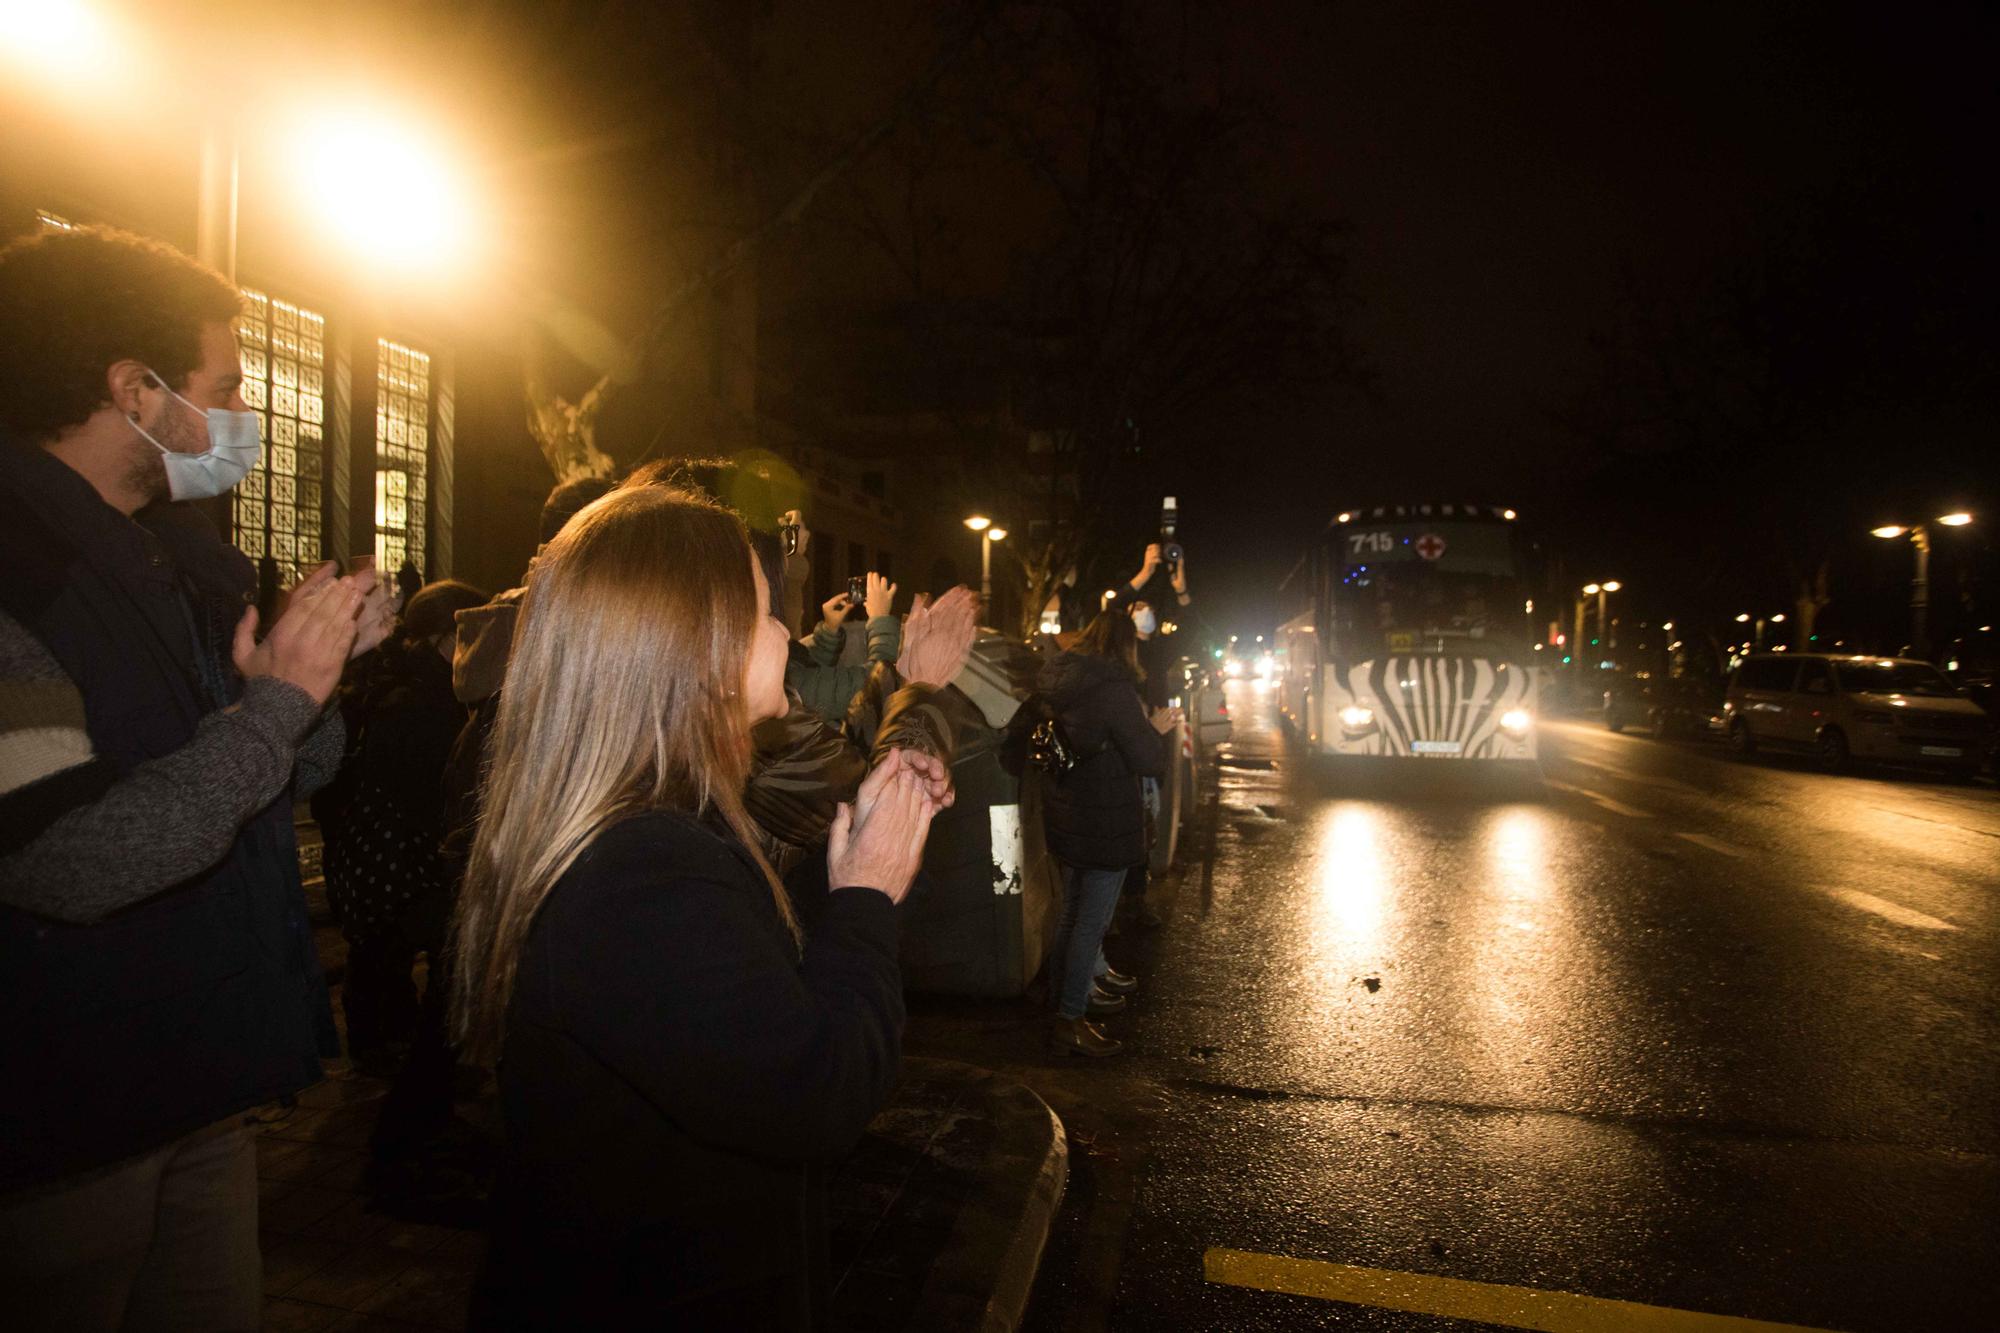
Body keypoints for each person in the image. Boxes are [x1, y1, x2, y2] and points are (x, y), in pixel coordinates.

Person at [0, 225, 391, 1331]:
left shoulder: (181, 558)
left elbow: (270, 778)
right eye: (221, 389)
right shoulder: (20, 573)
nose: (239, 419)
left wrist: (319, 686)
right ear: (134, 389)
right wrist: (277, 704)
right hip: (66, 1110)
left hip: (201, 1072)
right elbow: (65, 859)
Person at [452, 484, 948, 1328]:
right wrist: (867, 897)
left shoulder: (661, 829)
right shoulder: (640, 869)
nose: (788, 633)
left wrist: (851, 866)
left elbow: (738, 1019)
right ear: (693, 642)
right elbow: (815, 1090)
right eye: (762, 612)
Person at [314, 579, 490, 1074]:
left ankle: (395, 1047)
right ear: (444, 638)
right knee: (398, 950)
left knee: (386, 951)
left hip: (387, 845)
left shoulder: (407, 682)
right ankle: (393, 1054)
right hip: (399, 846)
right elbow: (422, 776)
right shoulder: (418, 695)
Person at [1034, 611, 1180, 1057]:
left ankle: (1063, 999)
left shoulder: (1066, 682)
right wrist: (1155, 729)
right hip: (1106, 819)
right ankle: (1070, 1019)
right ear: (1123, 646)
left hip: (1070, 812)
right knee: (1090, 923)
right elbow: (1147, 759)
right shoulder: (1113, 690)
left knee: (1071, 913)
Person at [789, 571, 901, 724]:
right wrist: (880, 618)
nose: (801, 610)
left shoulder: (783, 671)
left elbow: (810, 673)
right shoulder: (786, 685)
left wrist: (829, 631)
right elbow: (878, 684)